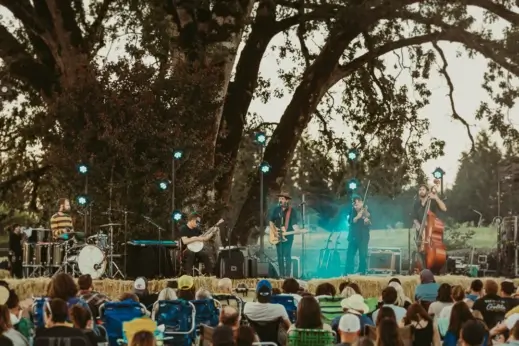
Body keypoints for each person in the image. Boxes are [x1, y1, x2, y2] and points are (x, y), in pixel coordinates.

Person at [412, 184, 447, 273]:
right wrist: (418, 225)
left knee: (437, 253)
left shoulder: (432, 202)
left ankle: (437, 270)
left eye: (423, 189)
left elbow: (444, 209)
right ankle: (422, 271)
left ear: (427, 192)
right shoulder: (416, 204)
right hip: (420, 232)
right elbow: (414, 218)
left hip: (431, 233)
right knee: (419, 252)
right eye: (420, 189)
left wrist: (436, 197)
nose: (421, 191)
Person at [269, 192, 301, 278]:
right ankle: (281, 275)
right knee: (279, 255)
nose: (280, 200)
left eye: (282, 198)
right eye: (280, 198)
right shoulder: (276, 210)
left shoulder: (292, 211)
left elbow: (294, 224)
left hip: (288, 236)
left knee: (287, 254)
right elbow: (271, 221)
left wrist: (297, 230)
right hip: (278, 235)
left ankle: (287, 275)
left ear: (287, 200)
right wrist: (274, 232)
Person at [345, 195, 371, 274]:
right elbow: (351, 221)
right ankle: (349, 272)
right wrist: (357, 217)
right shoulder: (352, 211)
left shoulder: (366, 210)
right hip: (353, 237)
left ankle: (362, 272)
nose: (356, 206)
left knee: (362, 256)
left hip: (363, 237)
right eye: (354, 204)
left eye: (358, 204)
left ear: (361, 203)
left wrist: (366, 221)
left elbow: (370, 223)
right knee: (350, 255)